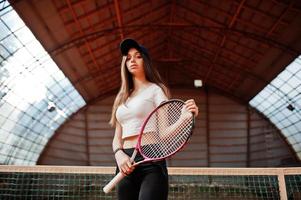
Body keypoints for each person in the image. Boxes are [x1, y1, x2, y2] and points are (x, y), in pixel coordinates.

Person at [109, 38, 199, 200]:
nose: (132, 61)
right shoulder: (122, 97)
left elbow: (163, 133)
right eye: (128, 58)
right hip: (125, 163)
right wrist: (119, 155)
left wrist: (184, 118)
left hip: (151, 160)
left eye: (138, 56)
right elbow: (117, 138)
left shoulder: (156, 90)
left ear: (146, 60)